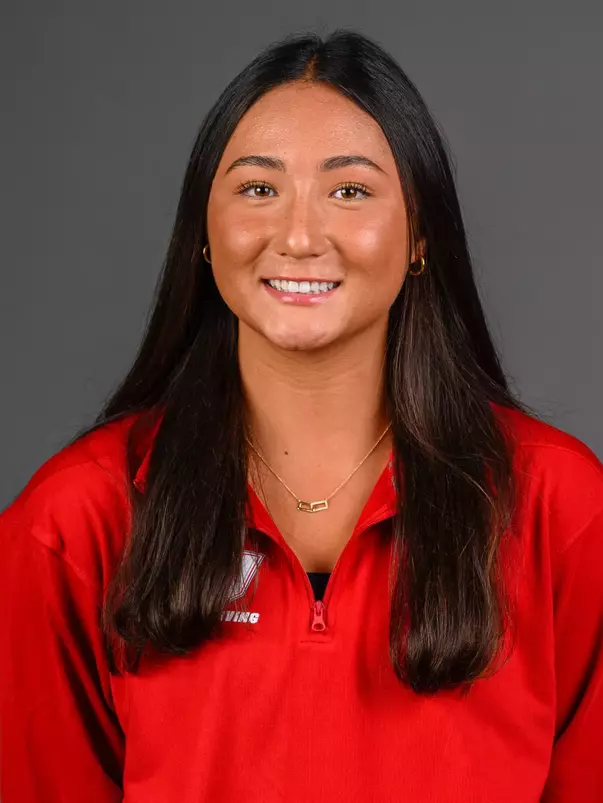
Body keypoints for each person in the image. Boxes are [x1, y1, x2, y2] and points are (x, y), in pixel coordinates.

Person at [1, 28, 602, 803]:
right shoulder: (72, 523)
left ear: (420, 232)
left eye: (349, 190)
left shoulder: (564, 509)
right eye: (257, 189)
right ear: (203, 237)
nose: (297, 235)